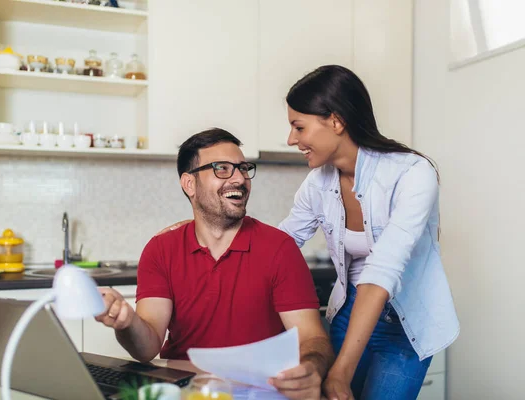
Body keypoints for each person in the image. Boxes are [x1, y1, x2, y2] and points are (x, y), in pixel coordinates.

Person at [160, 65, 460, 400]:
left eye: (298, 126)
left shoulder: (413, 175)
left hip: (405, 324)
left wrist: (340, 374)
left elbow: (382, 272)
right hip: (349, 312)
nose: (291, 139)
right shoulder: (319, 182)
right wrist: (205, 227)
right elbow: (280, 242)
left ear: (335, 121)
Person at [95, 128, 339, 400]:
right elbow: (147, 346)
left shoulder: (280, 249)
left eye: (243, 168)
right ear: (189, 184)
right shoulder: (160, 250)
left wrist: (311, 367)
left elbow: (312, 338)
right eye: (222, 168)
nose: (239, 178)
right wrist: (127, 322)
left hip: (259, 392)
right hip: (187, 392)